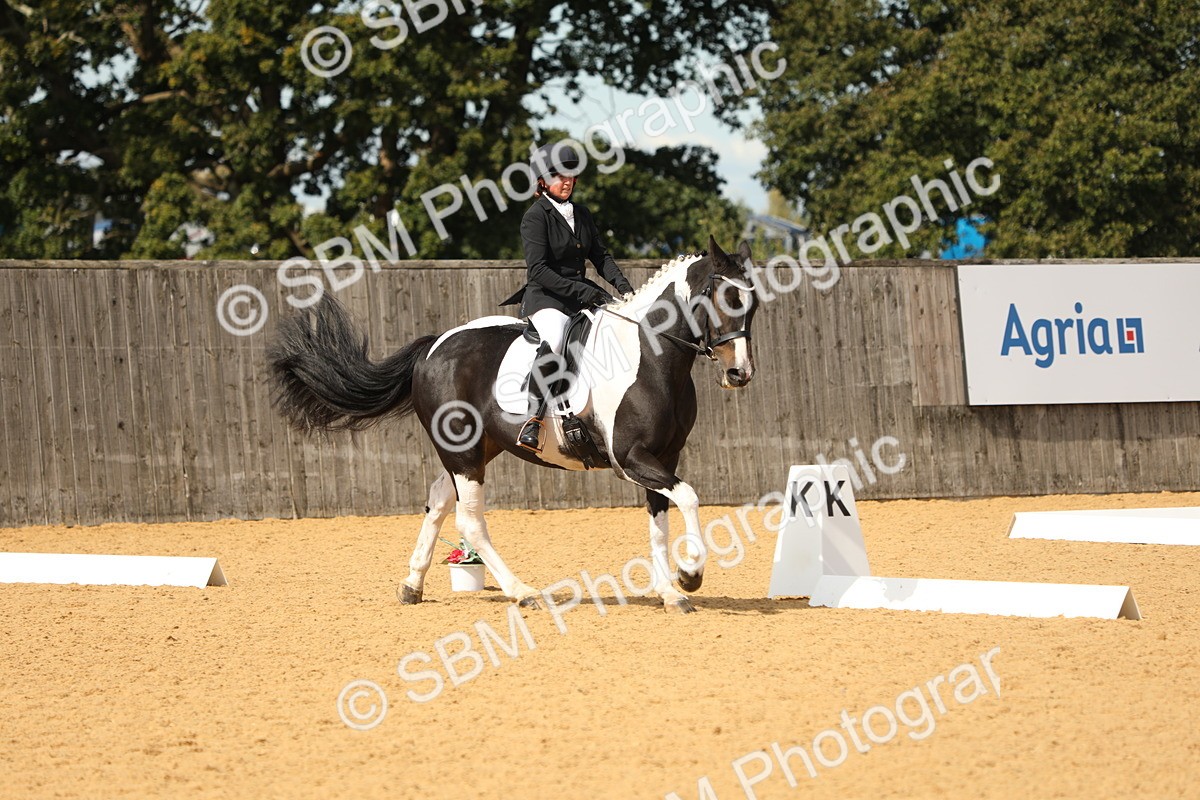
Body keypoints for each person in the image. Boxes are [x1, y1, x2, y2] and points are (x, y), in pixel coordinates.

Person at [499, 141, 634, 452]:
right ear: (542, 181)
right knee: (557, 338)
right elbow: (539, 271)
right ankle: (534, 419)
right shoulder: (536, 217)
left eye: (571, 175)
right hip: (546, 298)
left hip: (580, 297)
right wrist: (588, 292)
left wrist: (626, 289)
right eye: (559, 176)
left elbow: (601, 257)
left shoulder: (582, 214)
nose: (567, 181)